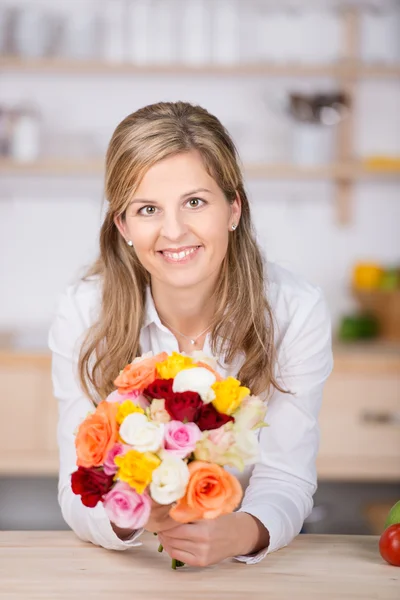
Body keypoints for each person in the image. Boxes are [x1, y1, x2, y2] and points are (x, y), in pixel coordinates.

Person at [48, 101, 333, 568]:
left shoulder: (295, 311)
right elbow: (75, 488)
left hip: (239, 569)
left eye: (195, 202)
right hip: (129, 570)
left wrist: (242, 532)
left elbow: (287, 476)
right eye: (147, 209)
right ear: (123, 225)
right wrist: (133, 514)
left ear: (234, 208)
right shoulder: (84, 312)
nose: (174, 231)